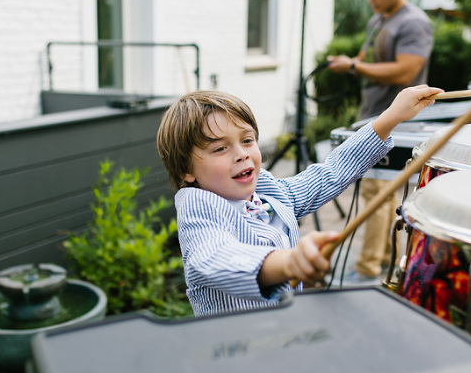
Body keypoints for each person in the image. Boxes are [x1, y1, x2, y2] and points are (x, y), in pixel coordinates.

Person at [156, 85, 442, 317]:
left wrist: (391, 117)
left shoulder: (268, 193)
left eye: (247, 140)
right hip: (236, 355)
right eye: (220, 148)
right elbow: (213, 258)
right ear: (186, 170)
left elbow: (329, 174)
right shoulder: (198, 207)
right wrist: (290, 262)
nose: (242, 154)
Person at [326, 0, 433, 281]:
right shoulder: (378, 21)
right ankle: (385, 262)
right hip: (371, 117)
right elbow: (367, 58)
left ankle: (366, 270)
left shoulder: (413, 22)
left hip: (400, 122)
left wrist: (355, 67)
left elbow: (406, 69)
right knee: (379, 192)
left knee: (377, 193)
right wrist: (350, 61)